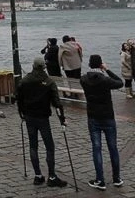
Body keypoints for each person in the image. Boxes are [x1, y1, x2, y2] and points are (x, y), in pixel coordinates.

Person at [16, 57, 68, 188]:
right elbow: (57, 103)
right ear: (44, 67)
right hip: (43, 118)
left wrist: (21, 113)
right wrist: (62, 119)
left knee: (33, 146)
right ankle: (51, 176)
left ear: (33, 66)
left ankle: (38, 176)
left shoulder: (25, 81)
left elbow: (19, 98)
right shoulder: (49, 82)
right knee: (49, 146)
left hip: (29, 117)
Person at [80, 54, 124, 191]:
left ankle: (100, 180)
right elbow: (120, 82)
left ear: (89, 64)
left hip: (93, 117)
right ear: (100, 65)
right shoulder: (105, 80)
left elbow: (87, 77)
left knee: (96, 148)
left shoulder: (84, 80)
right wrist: (107, 70)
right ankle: (116, 178)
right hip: (108, 117)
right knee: (113, 148)